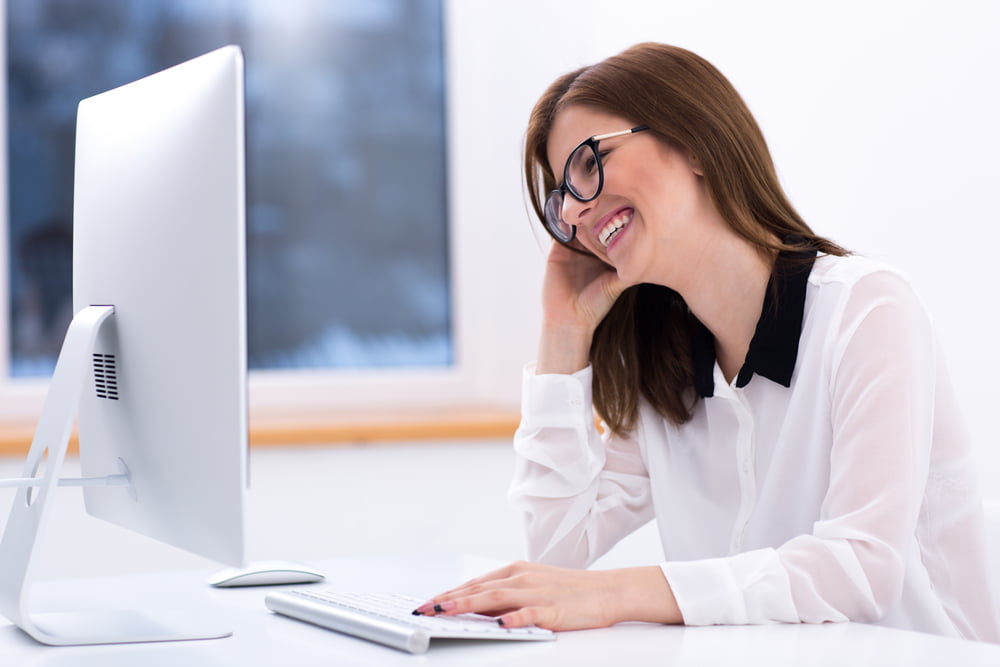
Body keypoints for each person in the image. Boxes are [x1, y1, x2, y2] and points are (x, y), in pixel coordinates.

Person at [412, 42, 1000, 642]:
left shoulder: (866, 309)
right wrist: (564, 334)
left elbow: (860, 568)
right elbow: (559, 551)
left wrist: (618, 593)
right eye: (562, 199)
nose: (580, 214)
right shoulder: (667, 363)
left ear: (691, 142)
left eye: (589, 163)